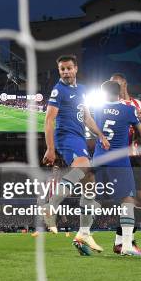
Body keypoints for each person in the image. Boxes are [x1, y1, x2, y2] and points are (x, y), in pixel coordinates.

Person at [42, 54, 110, 255]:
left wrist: (100, 135)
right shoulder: (58, 90)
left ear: (76, 69)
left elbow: (87, 117)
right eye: (62, 69)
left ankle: (84, 232)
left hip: (79, 137)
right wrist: (50, 148)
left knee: (89, 181)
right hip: (66, 137)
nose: (65, 72)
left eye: (68, 68)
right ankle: (51, 206)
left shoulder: (81, 90)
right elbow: (48, 120)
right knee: (82, 168)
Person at [92, 80, 141, 256]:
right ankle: (127, 245)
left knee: (94, 200)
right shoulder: (128, 110)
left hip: (99, 159)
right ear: (120, 92)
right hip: (119, 161)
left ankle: (83, 233)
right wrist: (136, 119)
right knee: (127, 200)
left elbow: (91, 127)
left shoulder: (97, 109)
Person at [110, 73, 141, 254]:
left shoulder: (140, 105)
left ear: (124, 83)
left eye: (116, 84)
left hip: (134, 156)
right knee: (125, 199)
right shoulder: (110, 106)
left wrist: (140, 130)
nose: (114, 88)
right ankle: (125, 242)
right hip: (117, 157)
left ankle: (122, 240)